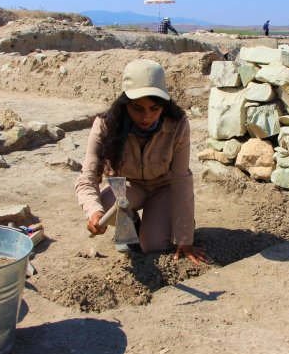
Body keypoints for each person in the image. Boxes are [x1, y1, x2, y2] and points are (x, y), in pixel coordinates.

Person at [75, 59, 208, 264]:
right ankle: (130, 225)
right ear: (125, 103)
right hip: (128, 186)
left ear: (164, 104)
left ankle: (164, 221)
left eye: (154, 108)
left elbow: (181, 180)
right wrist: (94, 212)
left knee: (154, 246)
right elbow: (87, 178)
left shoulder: (178, 124)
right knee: (106, 204)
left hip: (164, 187)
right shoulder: (104, 125)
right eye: (138, 109)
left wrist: (184, 237)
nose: (146, 117)